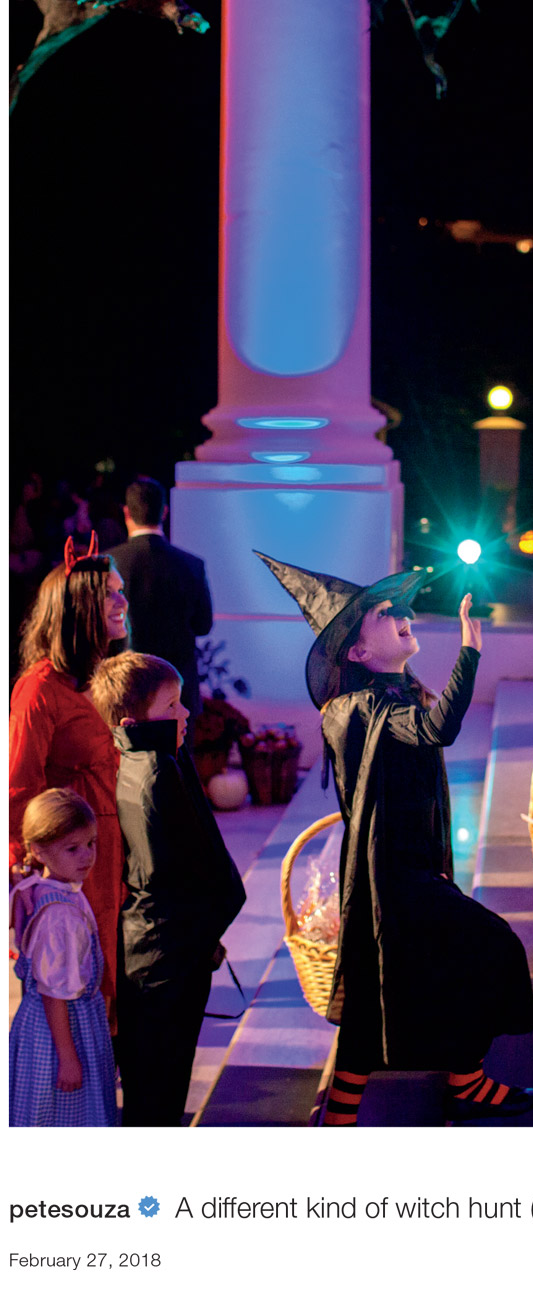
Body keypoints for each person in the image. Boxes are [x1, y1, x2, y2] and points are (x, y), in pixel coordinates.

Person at [257, 551, 533, 1124]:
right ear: (358, 652)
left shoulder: (392, 694)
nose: (400, 612)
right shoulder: (354, 708)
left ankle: (457, 1082)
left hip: (412, 870)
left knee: (388, 987)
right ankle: (456, 1083)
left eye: (399, 606)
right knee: (486, 948)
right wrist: (471, 652)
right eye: (383, 613)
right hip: (389, 878)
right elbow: (439, 729)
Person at [89, 651, 245, 1126]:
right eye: (172, 706)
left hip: (155, 948)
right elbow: (174, 876)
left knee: (153, 1084)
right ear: (135, 719)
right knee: (160, 1088)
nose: (186, 714)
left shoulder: (139, 758)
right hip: (165, 957)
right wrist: (202, 933)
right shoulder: (157, 774)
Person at [9, 534, 129, 1027]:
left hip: (117, 846)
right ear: (78, 608)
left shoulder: (105, 675)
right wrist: (32, 873)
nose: (123, 602)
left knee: (116, 973)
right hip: (74, 857)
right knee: (80, 980)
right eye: (110, 594)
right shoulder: (39, 690)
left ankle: (106, 1083)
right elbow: (18, 788)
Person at [9, 789, 118, 1126]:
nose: (87, 856)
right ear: (39, 850)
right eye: (73, 848)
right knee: (63, 1113)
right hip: (62, 1028)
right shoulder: (61, 918)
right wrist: (68, 1057)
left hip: (45, 1025)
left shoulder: (42, 889)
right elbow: (53, 993)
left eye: (91, 843)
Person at [109, 478, 213, 719]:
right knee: (177, 755)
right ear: (164, 511)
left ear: (126, 512)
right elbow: (203, 625)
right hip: (179, 690)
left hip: (126, 688)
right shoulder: (191, 565)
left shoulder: (111, 563)